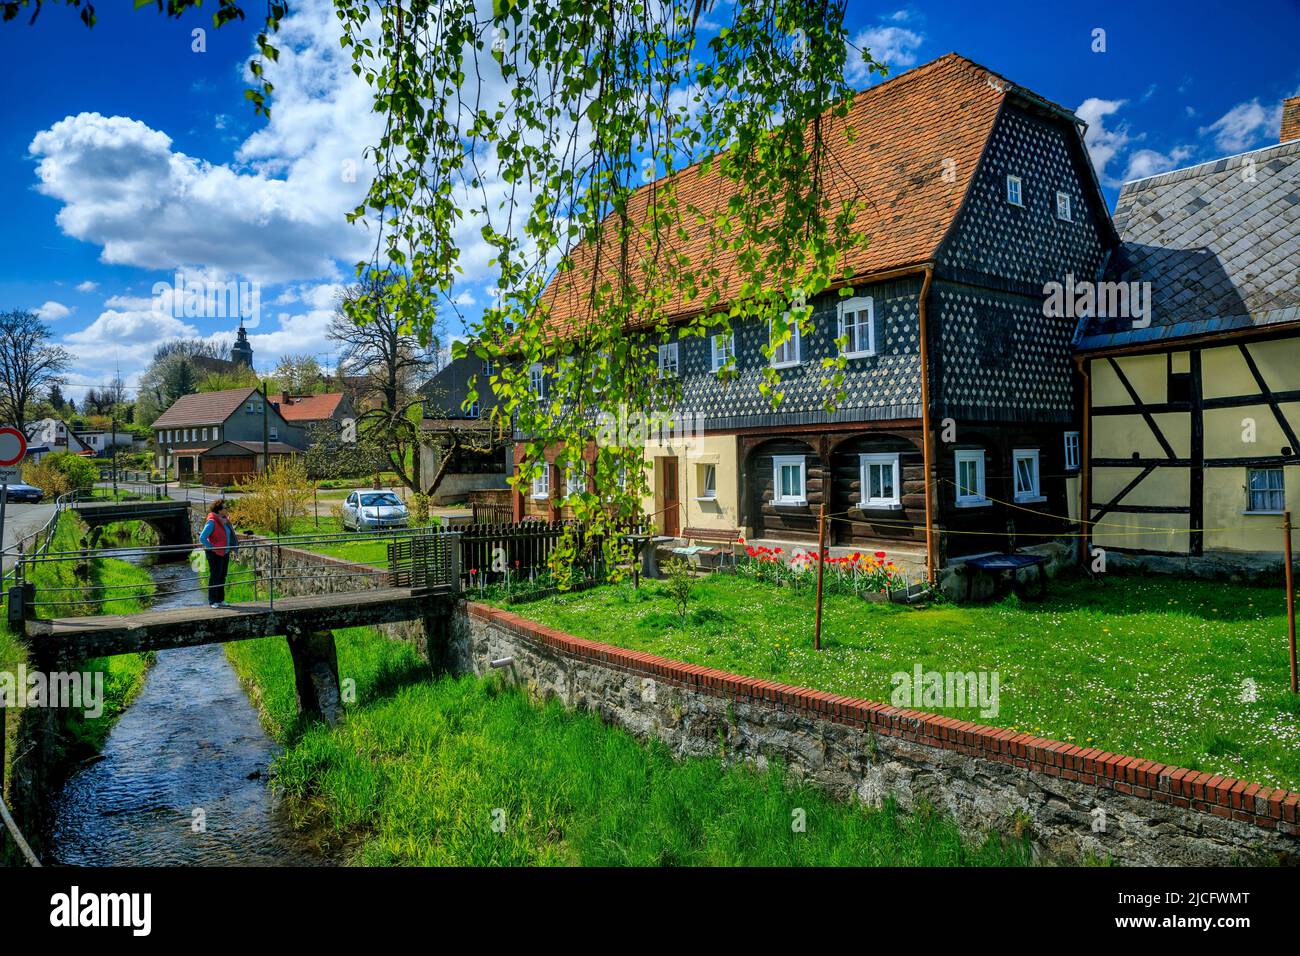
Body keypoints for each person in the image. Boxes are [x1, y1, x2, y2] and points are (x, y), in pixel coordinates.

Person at [199, 499, 237, 608]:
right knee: (215, 576)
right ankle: (212, 601)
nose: (227, 509)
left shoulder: (224, 520)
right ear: (219, 510)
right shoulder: (212, 521)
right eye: (225, 508)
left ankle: (220, 599)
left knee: (222, 576)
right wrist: (213, 548)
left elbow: (228, 534)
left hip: (225, 552)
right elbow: (202, 538)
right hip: (215, 554)